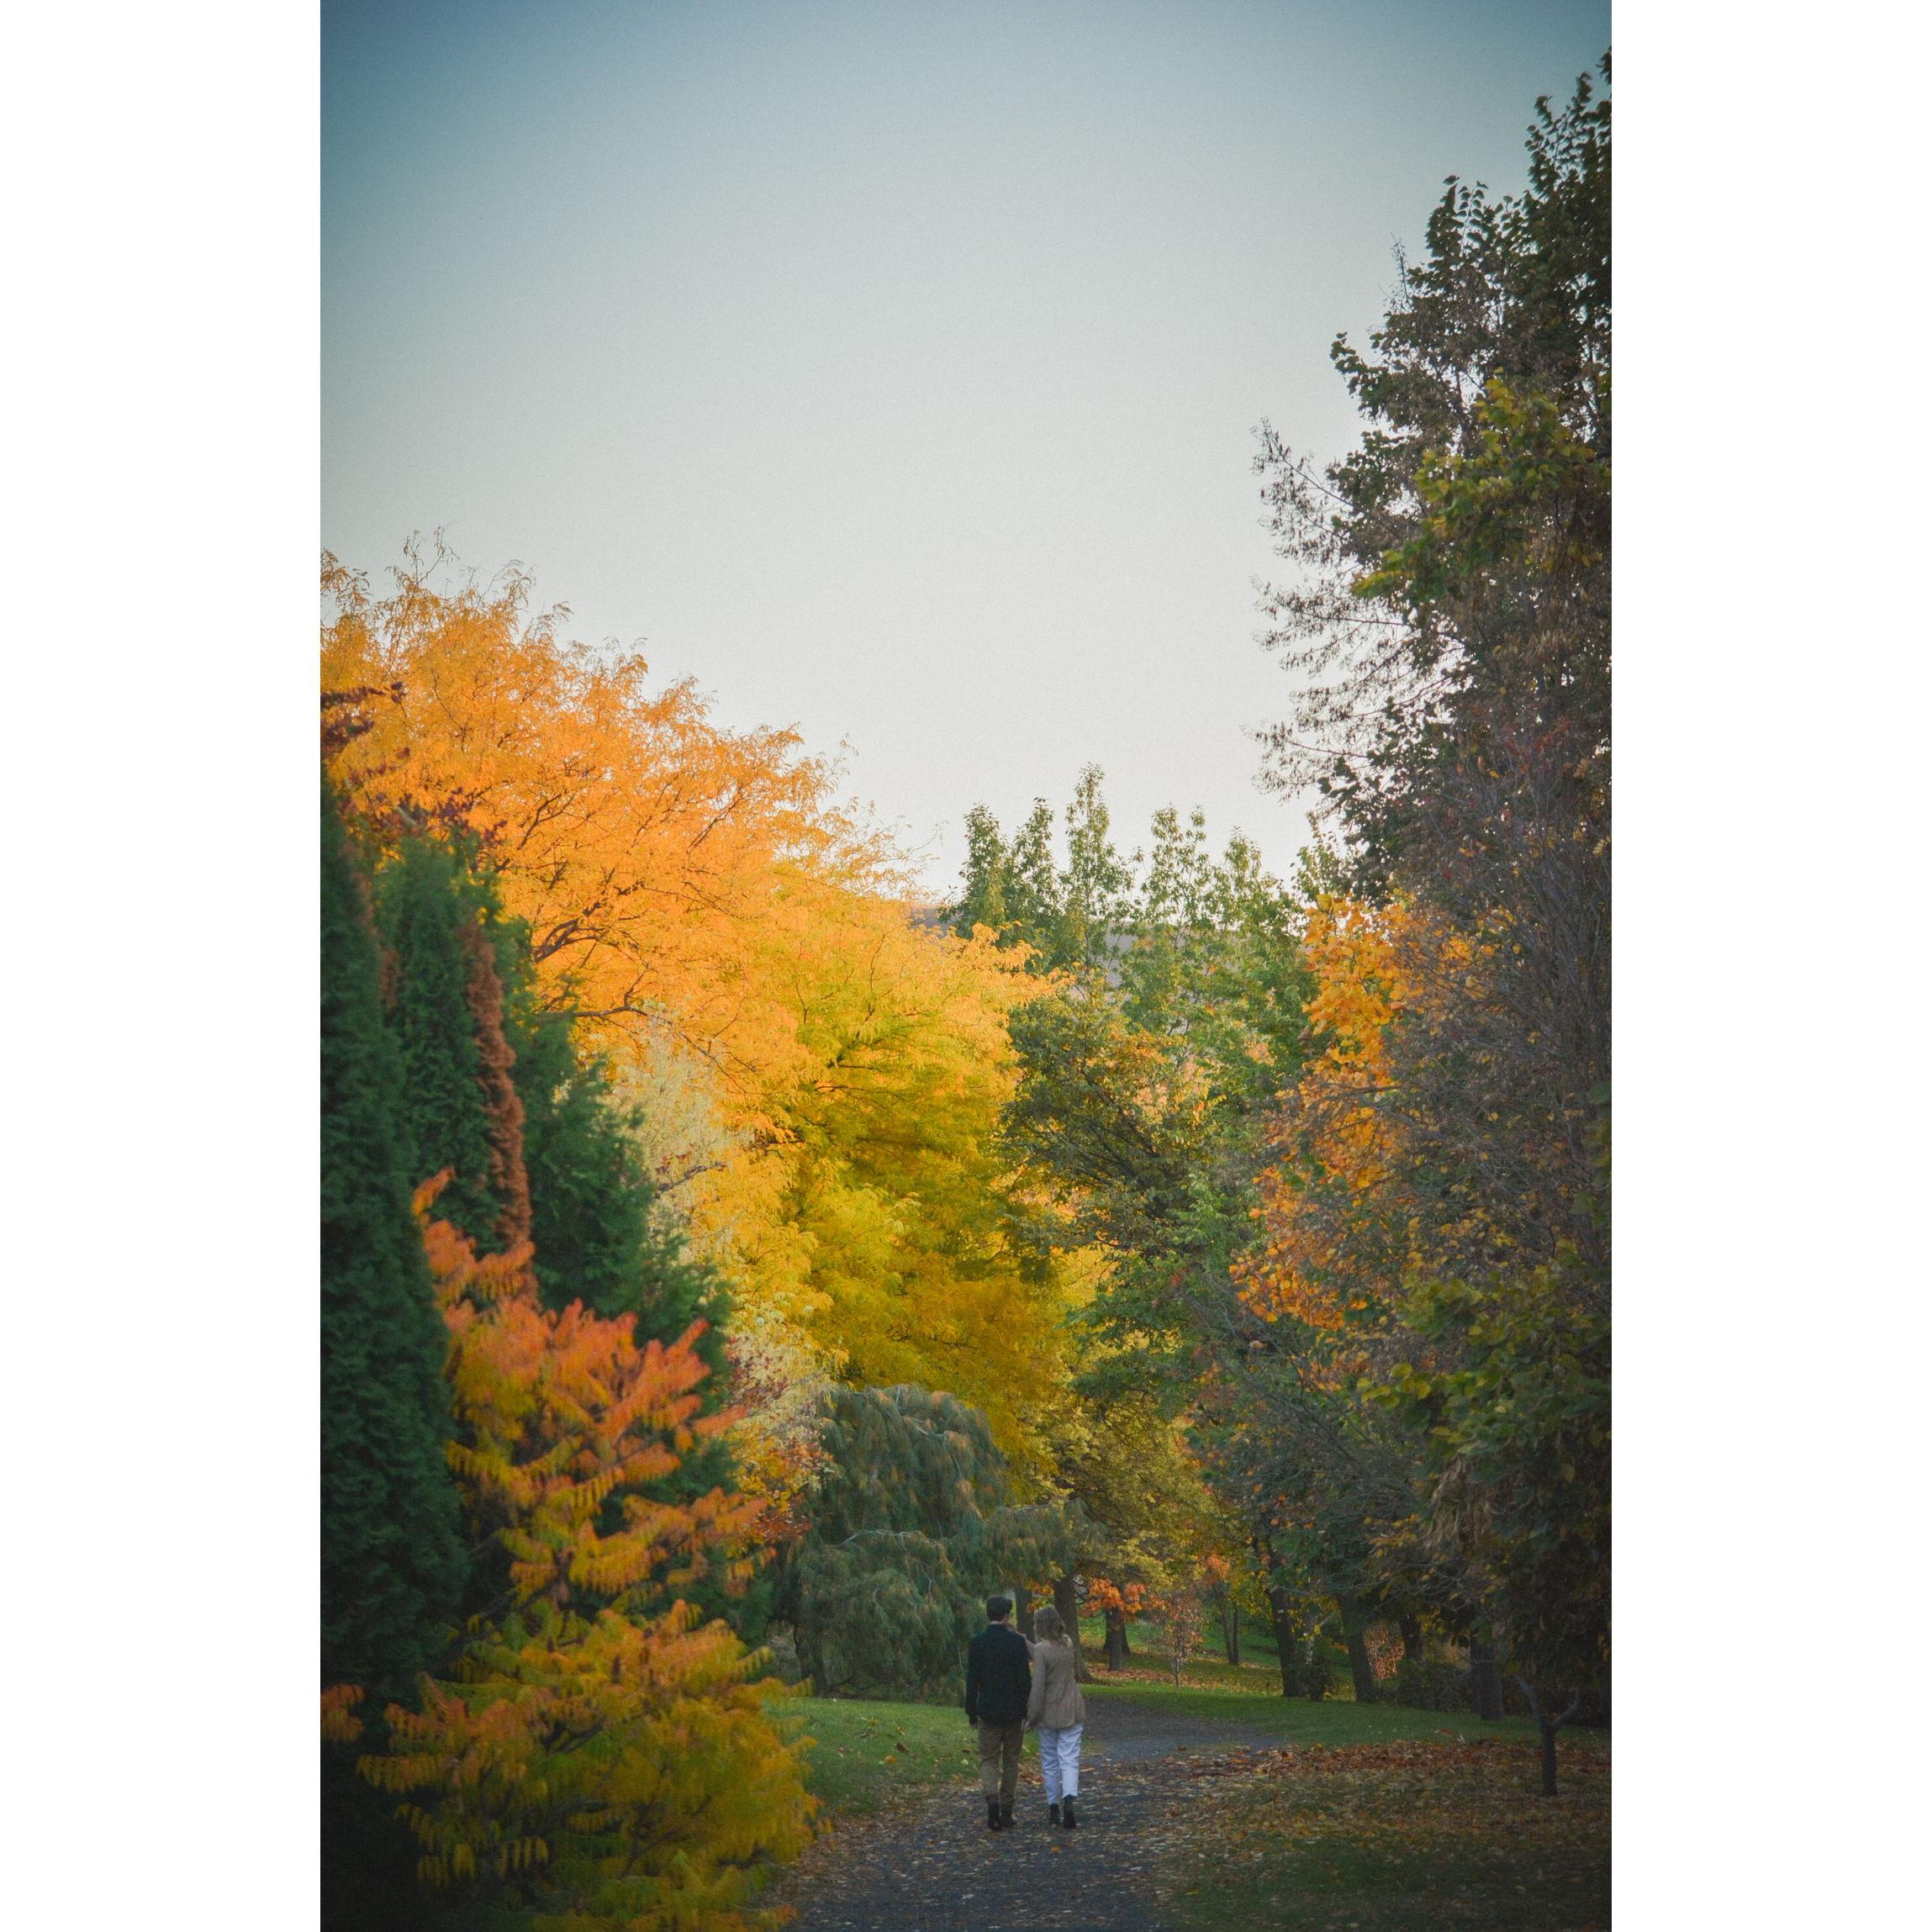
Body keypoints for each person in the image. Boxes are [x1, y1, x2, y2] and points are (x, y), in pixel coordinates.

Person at [964, 1594, 1032, 1830]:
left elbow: (972, 1681)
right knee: (1011, 1761)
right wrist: (1026, 1711)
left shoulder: (977, 1643)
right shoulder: (1016, 1643)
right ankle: (1007, 1810)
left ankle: (991, 1800)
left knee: (988, 1759)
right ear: (1006, 1615)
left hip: (988, 1710)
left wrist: (971, 1711)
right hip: (1013, 1711)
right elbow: (1024, 1680)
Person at [1024, 1603, 1086, 1829]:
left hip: (1049, 1711)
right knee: (1069, 1758)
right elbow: (1047, 1654)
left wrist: (1032, 1716)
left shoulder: (1042, 1650)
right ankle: (1069, 1800)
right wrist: (1025, 1642)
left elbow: (1039, 1684)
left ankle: (1053, 1807)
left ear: (1040, 1625)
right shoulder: (1068, 1644)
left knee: (1050, 1760)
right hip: (1072, 1707)